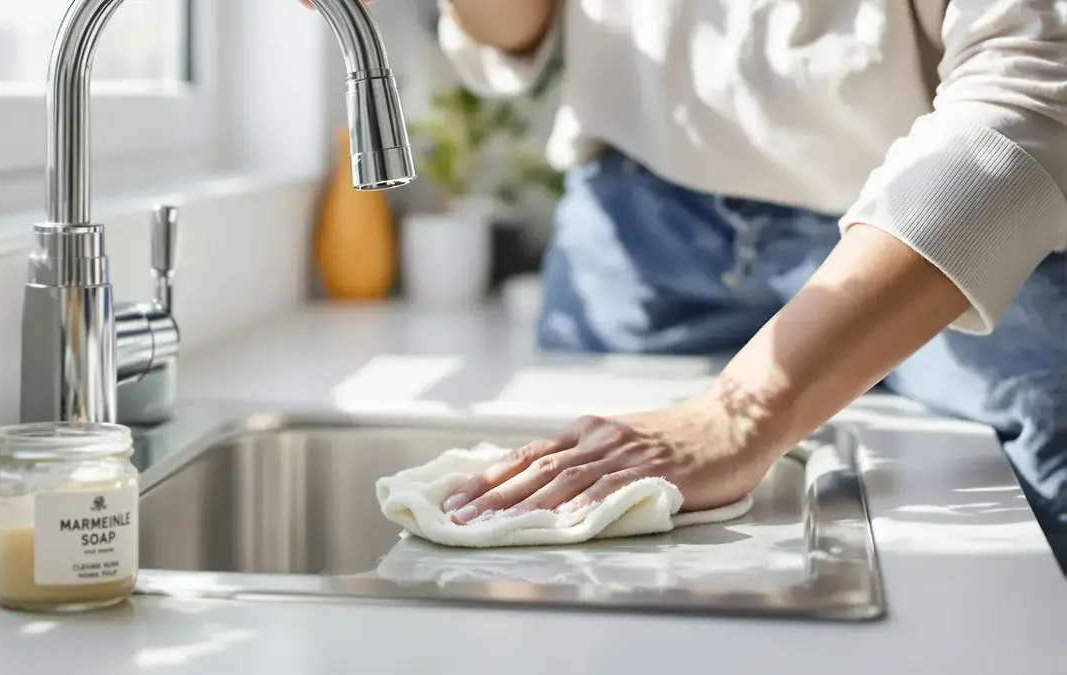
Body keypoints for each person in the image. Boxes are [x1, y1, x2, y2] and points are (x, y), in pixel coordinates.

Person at [312, 1, 1067, 561]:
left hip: (919, 223)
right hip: (635, 225)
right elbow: (522, 27)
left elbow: (1033, 94)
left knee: (1025, 542)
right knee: (569, 556)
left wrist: (740, 412)